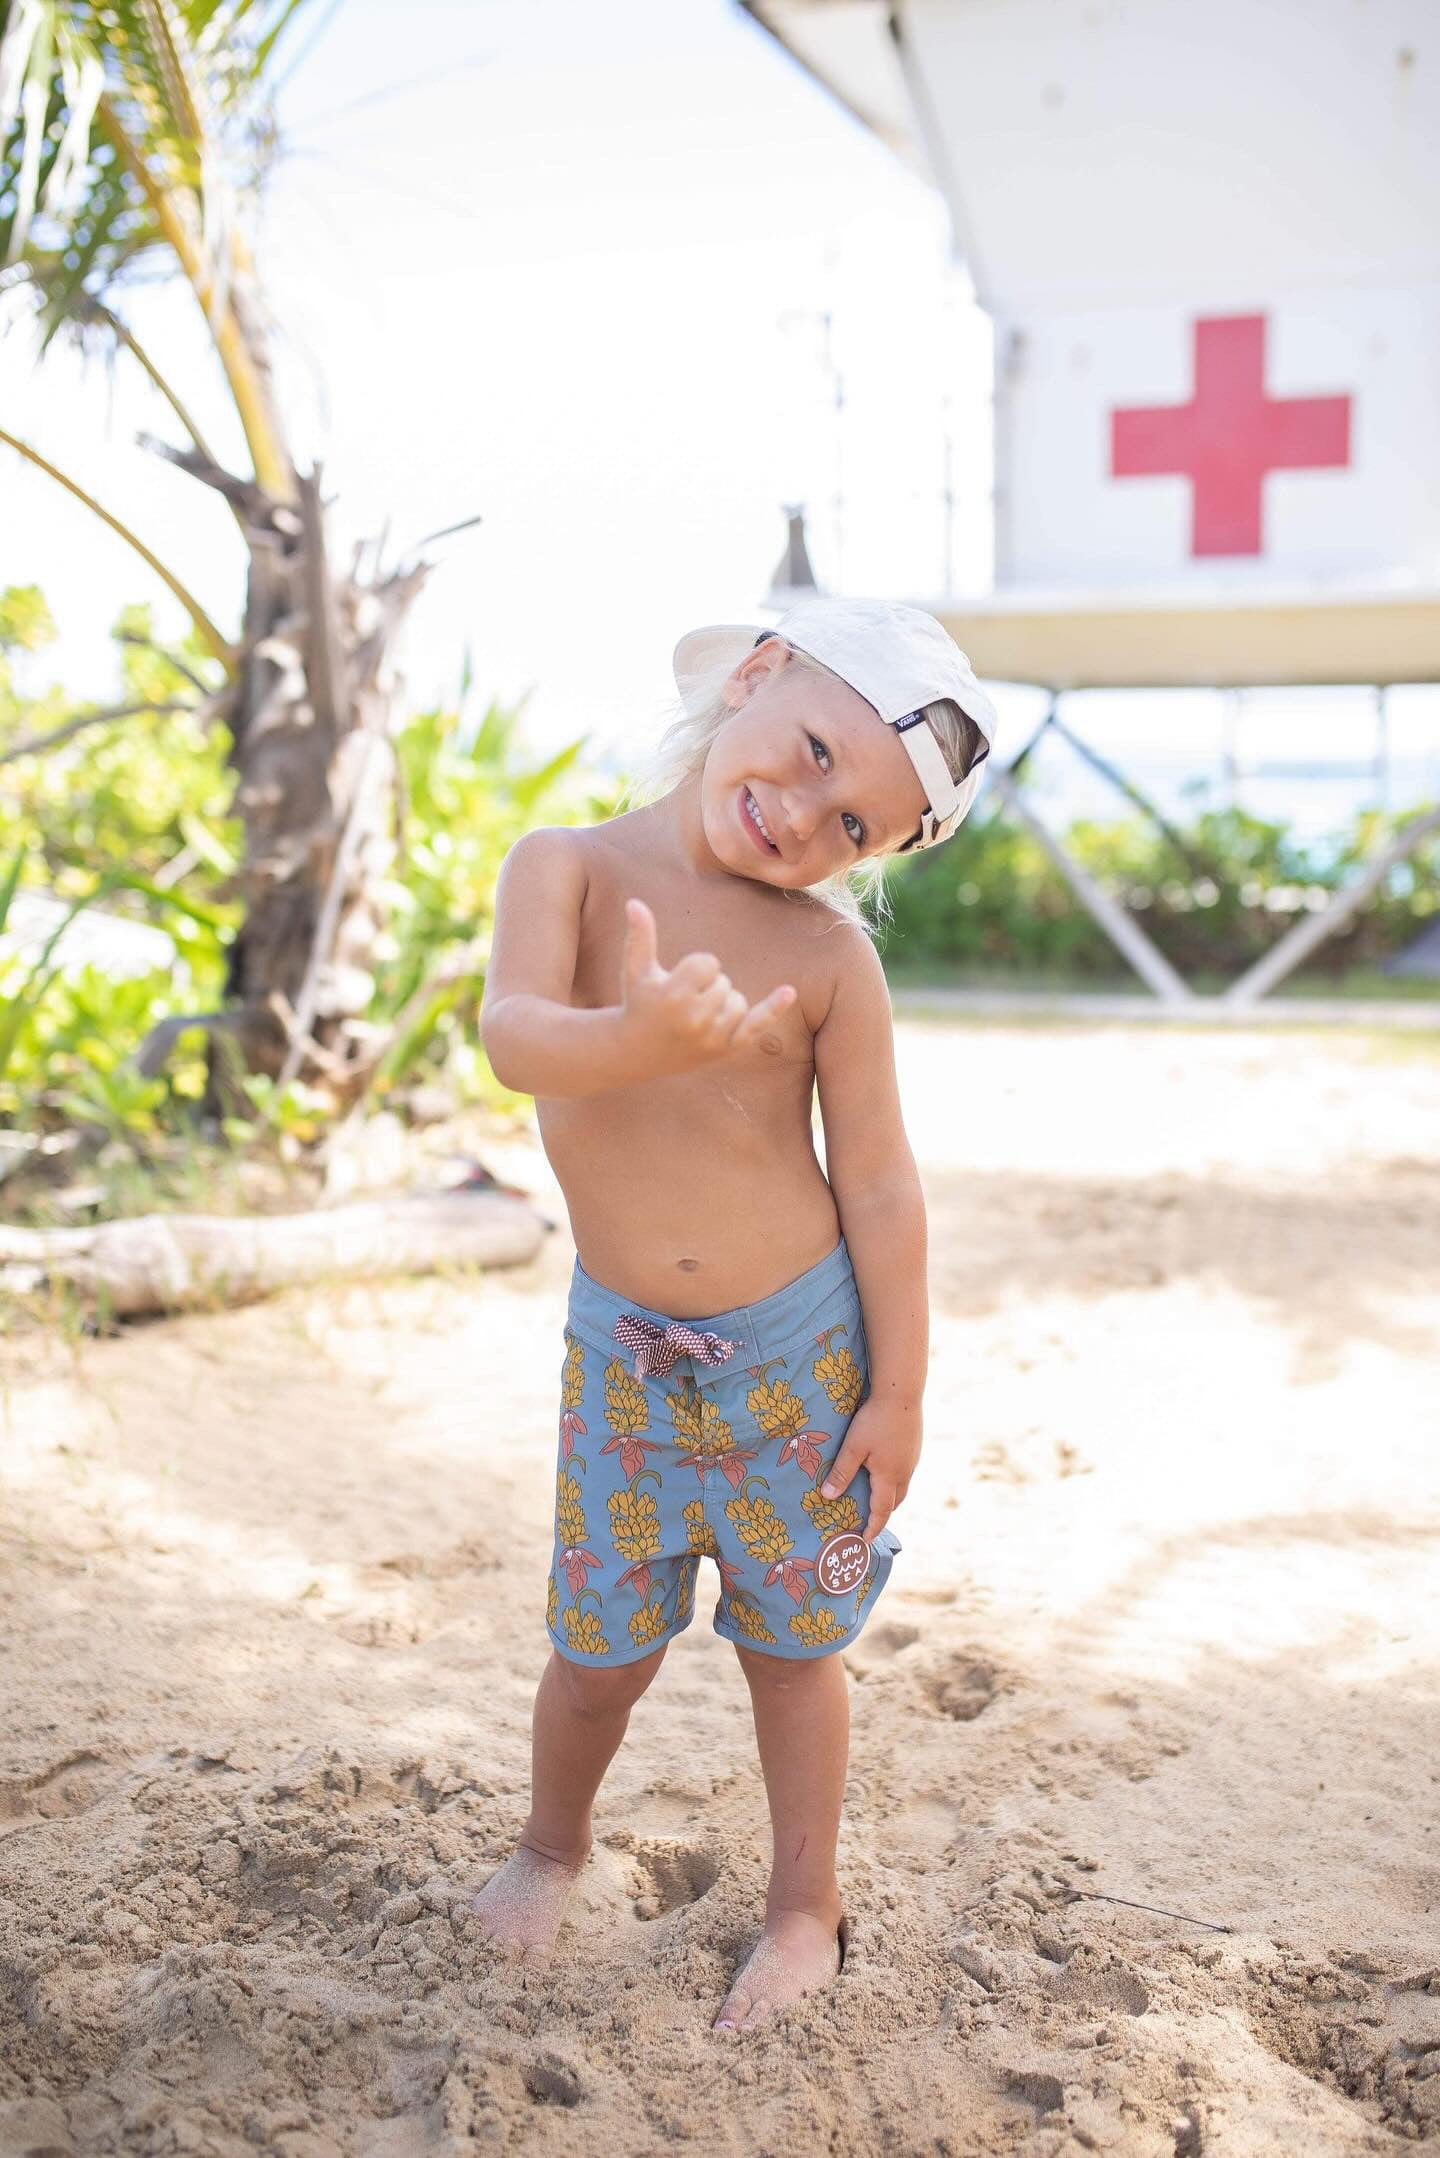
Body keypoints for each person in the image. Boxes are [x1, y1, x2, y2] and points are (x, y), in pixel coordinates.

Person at [470, 597, 996, 2030]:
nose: (805, 816)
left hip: (797, 1361)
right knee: (600, 1650)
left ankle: (804, 1907)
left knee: (793, 1651)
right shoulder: (567, 868)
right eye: (814, 751)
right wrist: (630, 1038)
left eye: (855, 825)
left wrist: (899, 1393)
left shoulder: (829, 962)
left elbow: (878, 1184)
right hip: (623, 1362)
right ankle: (552, 1844)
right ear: (758, 675)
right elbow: (516, 1037)